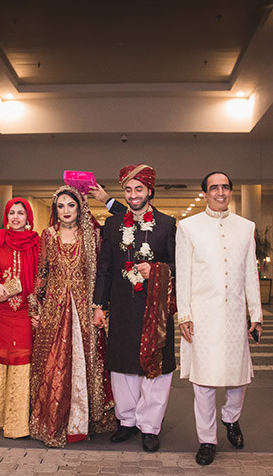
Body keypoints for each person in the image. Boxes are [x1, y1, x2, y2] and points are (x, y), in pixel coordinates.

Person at [175, 171, 262, 466]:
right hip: (202, 316)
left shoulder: (246, 227)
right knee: (204, 382)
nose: (220, 192)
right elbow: (182, 274)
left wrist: (257, 314)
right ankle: (207, 440)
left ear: (231, 192)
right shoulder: (188, 227)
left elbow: (251, 273)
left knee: (238, 379)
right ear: (205, 193)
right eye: (214, 187)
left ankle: (231, 419)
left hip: (236, 314)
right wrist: (183, 314)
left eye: (225, 187)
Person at [92, 164, 177, 453]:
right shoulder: (113, 225)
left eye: (138, 189)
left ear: (149, 190)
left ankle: (150, 426)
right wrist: (99, 306)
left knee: (156, 369)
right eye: (127, 190)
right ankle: (126, 421)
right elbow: (104, 268)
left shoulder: (166, 224)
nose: (133, 195)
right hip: (122, 307)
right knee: (123, 366)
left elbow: (180, 266)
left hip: (156, 310)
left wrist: (155, 270)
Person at [29, 186, 116, 447]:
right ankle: (55, 418)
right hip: (55, 306)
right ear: (55, 210)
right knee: (54, 362)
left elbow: (101, 272)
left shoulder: (91, 235)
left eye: (71, 205)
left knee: (84, 360)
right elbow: (43, 271)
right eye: (61, 206)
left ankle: (83, 419)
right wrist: (36, 303)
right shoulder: (48, 235)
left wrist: (98, 306)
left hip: (82, 304)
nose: (66, 211)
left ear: (80, 208)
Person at [0, 198, 40, 438]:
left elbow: (43, 276)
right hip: (0, 311)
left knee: (22, 364)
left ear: (28, 217)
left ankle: (18, 423)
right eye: (11, 213)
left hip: (24, 312)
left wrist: (38, 308)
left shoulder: (38, 242)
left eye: (20, 213)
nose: (15, 217)